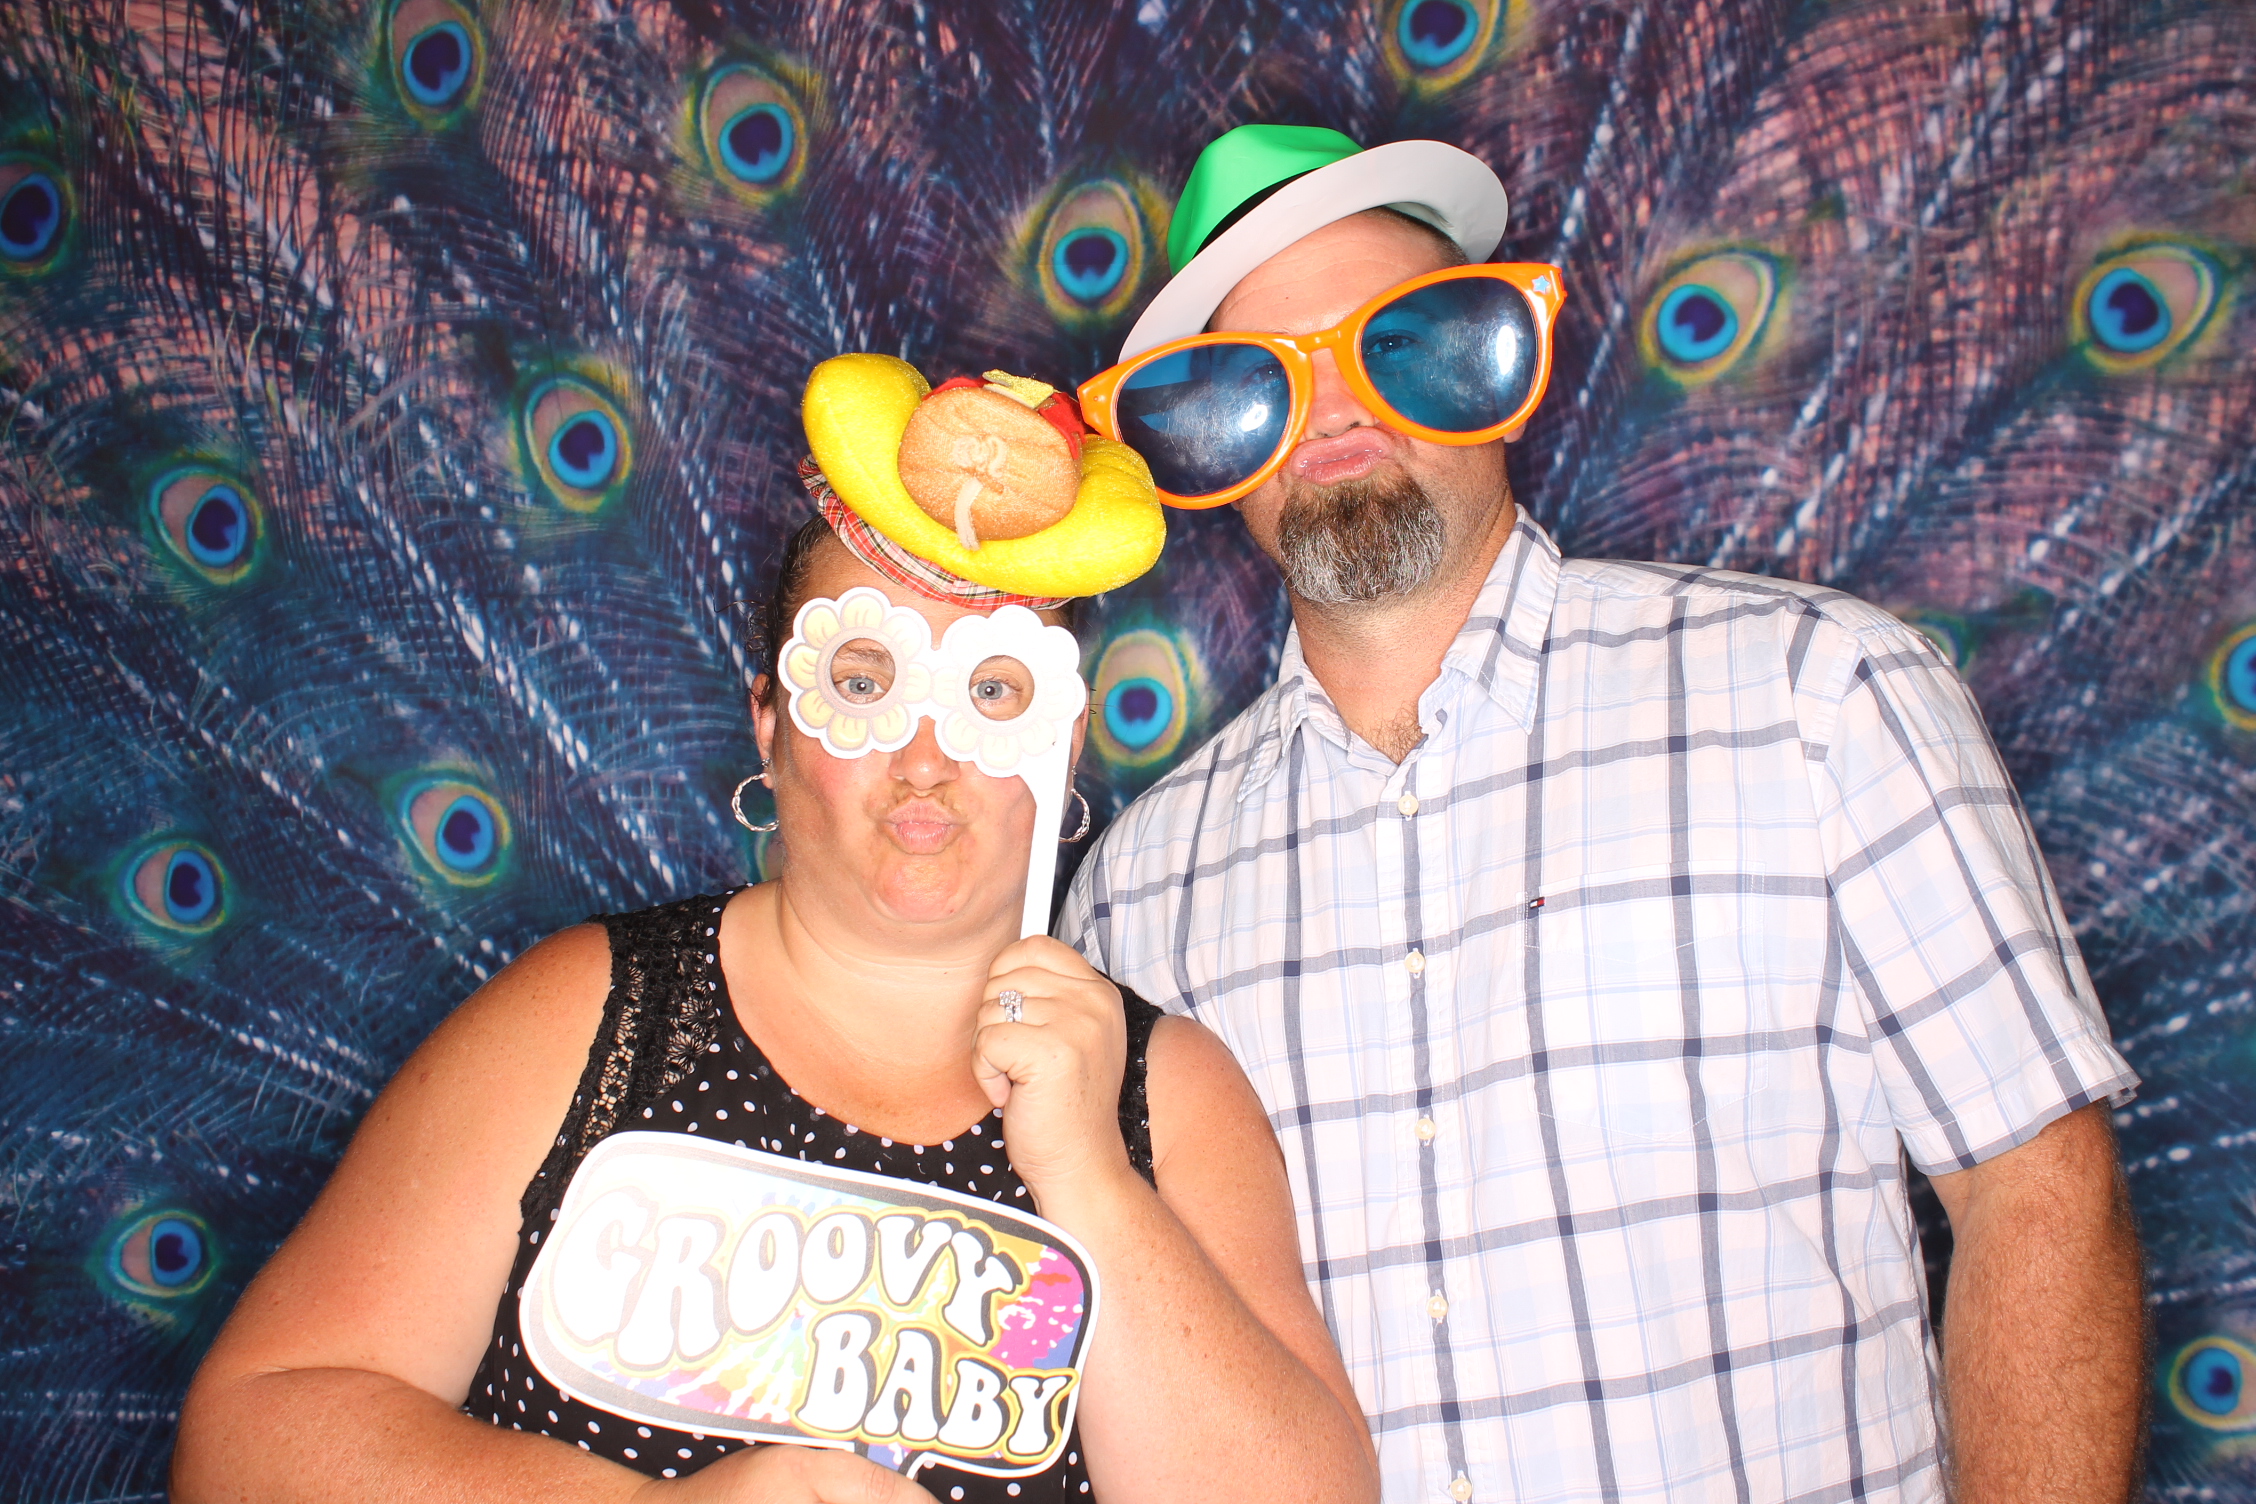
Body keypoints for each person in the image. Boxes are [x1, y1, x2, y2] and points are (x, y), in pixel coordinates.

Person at [1061, 124, 2146, 1504]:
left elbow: (2037, 1193)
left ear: (1499, 368)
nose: (1334, 413)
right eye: (1253, 384)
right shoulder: (1138, 891)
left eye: (1401, 343)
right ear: (1194, 441)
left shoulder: (1820, 698)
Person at [173, 356, 1378, 1504]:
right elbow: (251, 1437)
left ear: (1061, 740)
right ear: (769, 722)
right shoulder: (584, 1018)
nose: (925, 759)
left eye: (992, 695)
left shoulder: (1162, 1099)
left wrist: (1090, 1180)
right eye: (864, 681)